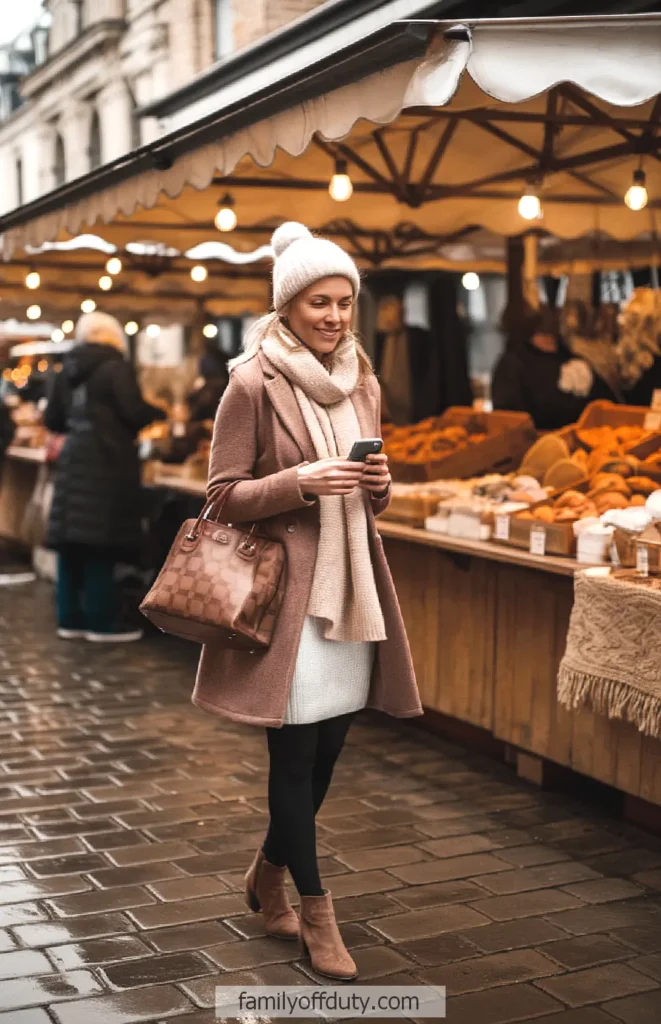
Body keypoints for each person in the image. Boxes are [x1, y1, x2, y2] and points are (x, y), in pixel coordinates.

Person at [192, 222, 423, 980]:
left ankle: (264, 875)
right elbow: (220, 499)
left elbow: (372, 496)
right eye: (318, 302)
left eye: (344, 302)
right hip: (287, 601)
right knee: (292, 755)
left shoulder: (362, 379)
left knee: (327, 751)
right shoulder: (250, 382)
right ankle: (316, 914)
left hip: (350, 592)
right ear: (287, 306)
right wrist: (302, 482)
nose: (333, 316)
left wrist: (376, 486)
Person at [44, 312, 166, 642]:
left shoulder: (65, 369)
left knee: (71, 545)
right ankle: (102, 622)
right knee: (100, 544)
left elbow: (52, 419)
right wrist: (160, 411)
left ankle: (69, 619)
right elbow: (134, 411)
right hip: (107, 462)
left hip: (74, 460)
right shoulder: (115, 367)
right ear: (113, 337)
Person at [492, 306, 620, 430]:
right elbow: (510, 418)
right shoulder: (514, 364)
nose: (548, 336)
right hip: (534, 442)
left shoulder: (573, 361)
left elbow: (607, 405)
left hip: (586, 438)